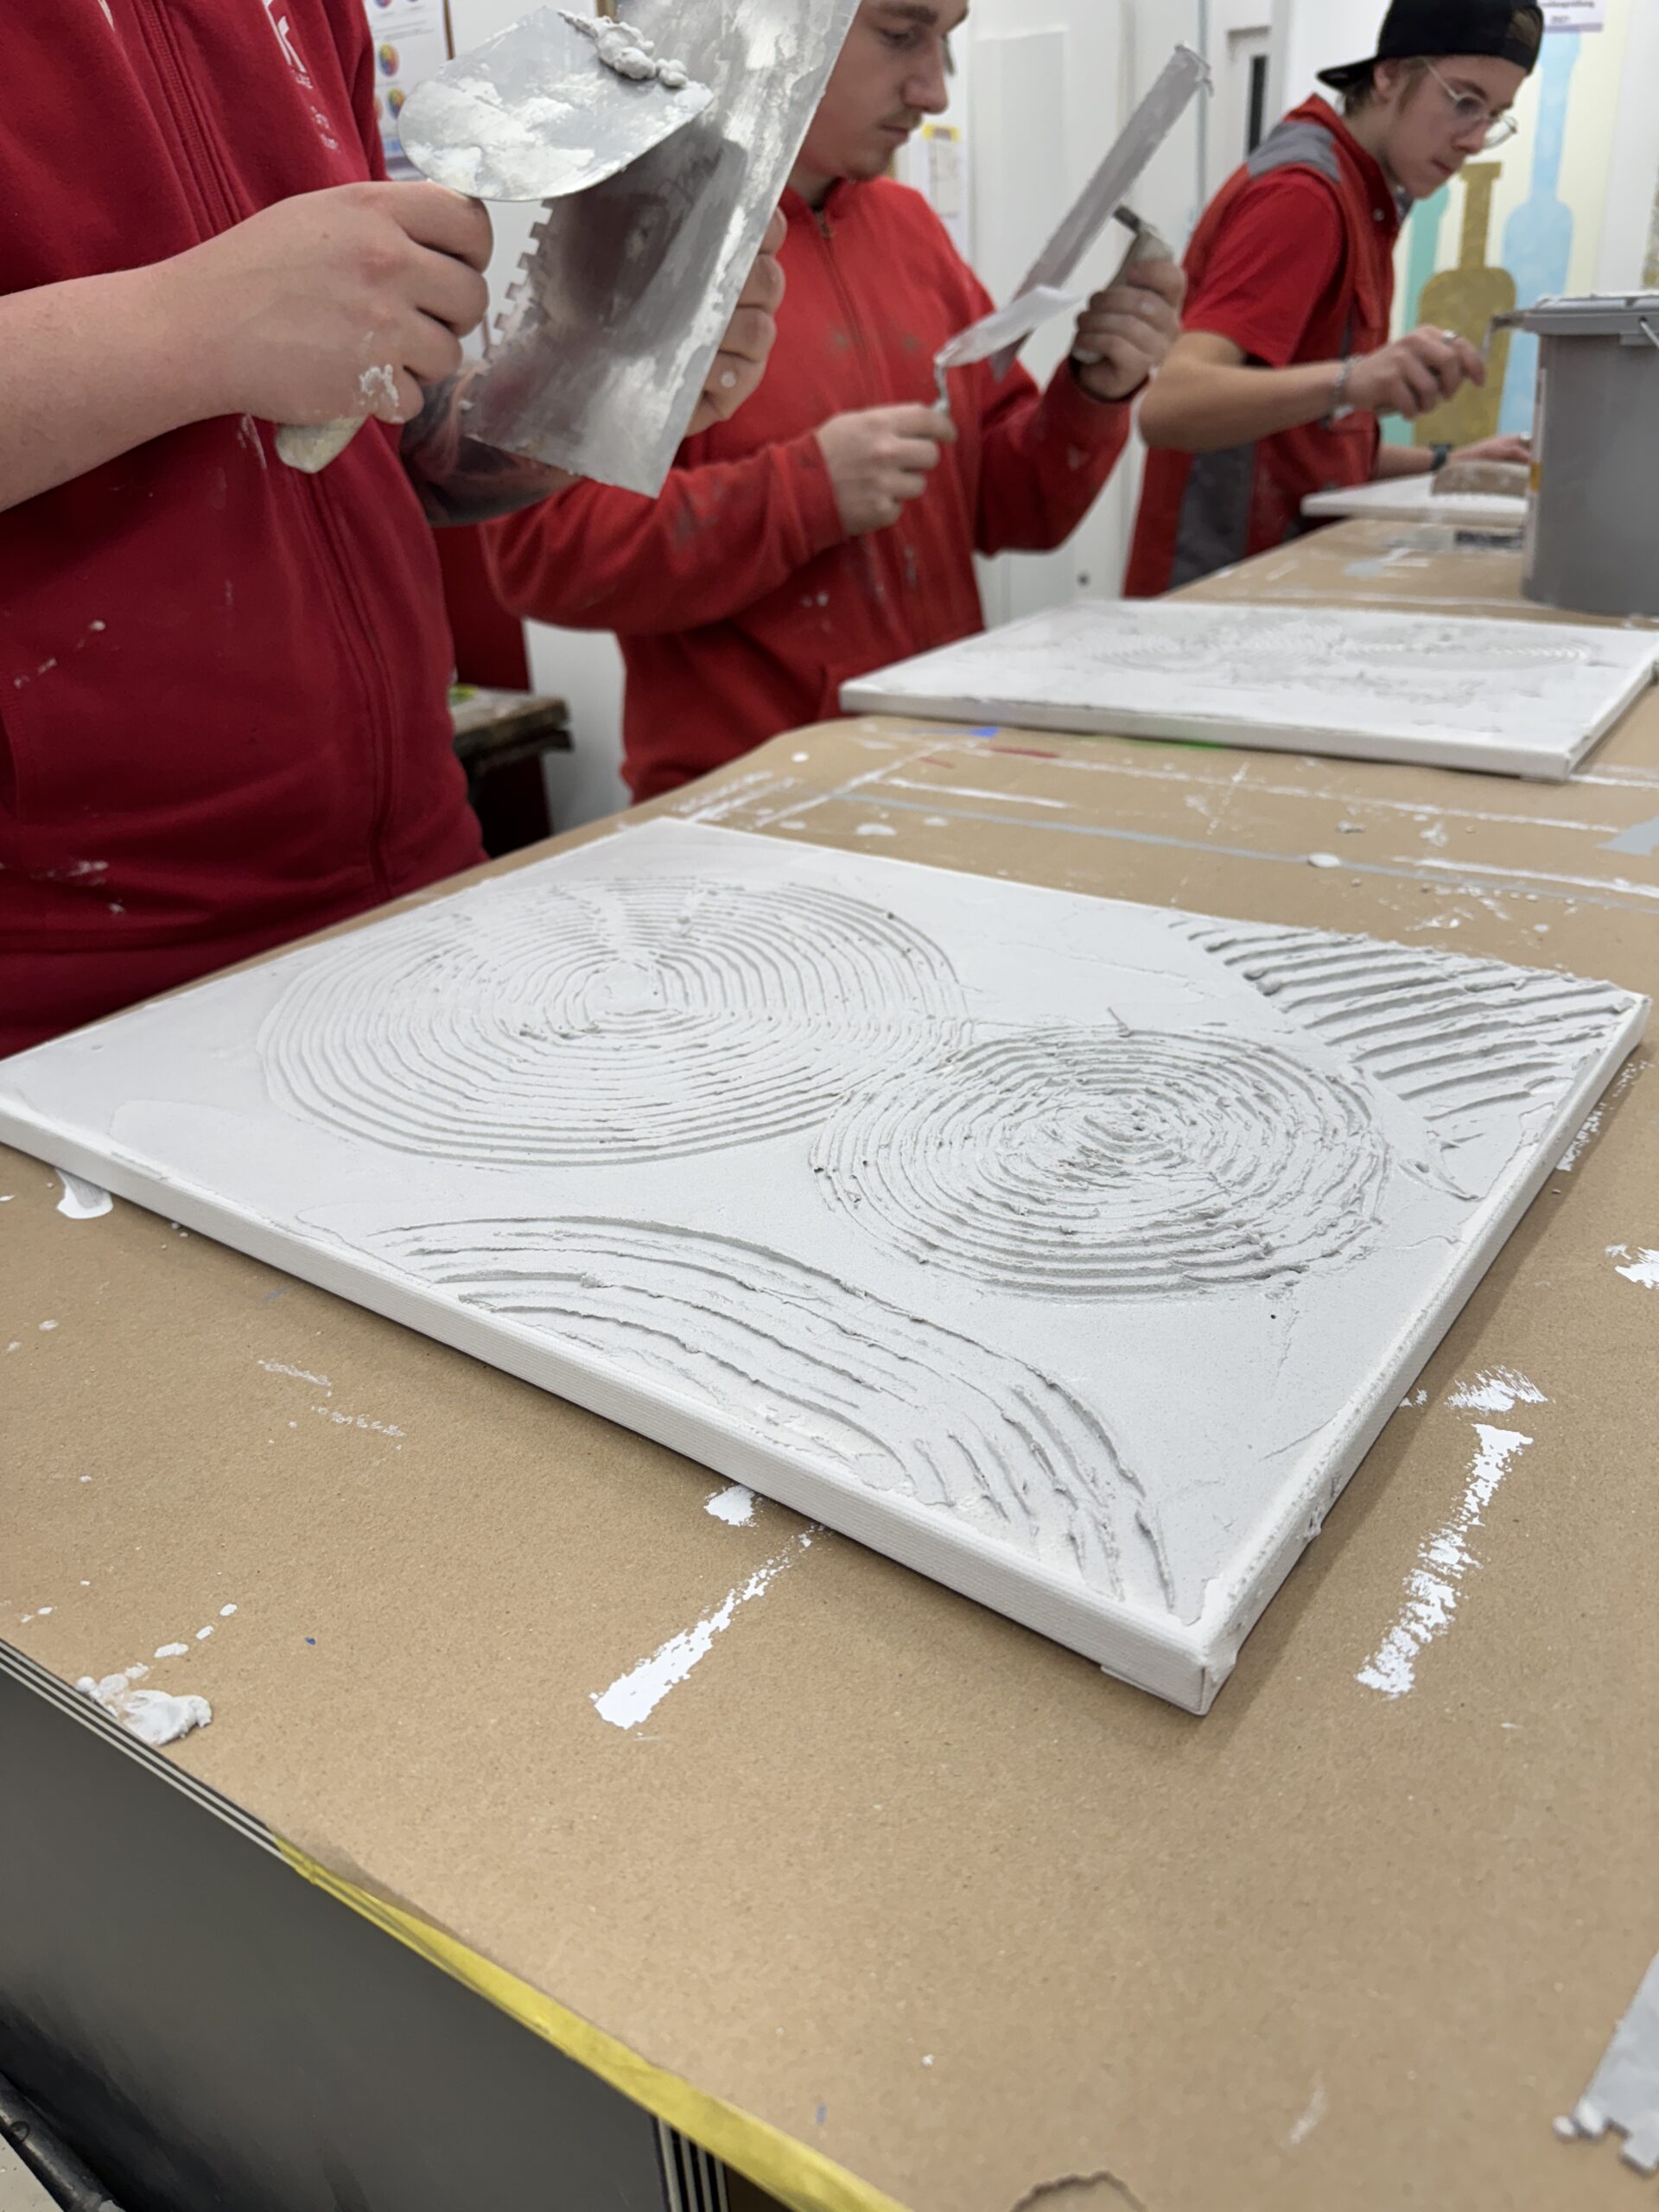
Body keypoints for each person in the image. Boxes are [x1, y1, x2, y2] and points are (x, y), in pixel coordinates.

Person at [0, 0, 785, 1058]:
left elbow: (389, 451)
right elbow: (226, 338)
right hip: (69, 981)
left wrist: (596, 374)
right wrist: (183, 329)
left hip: (416, 877)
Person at [483, 0, 1186, 806]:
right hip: (750, 805)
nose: (934, 91)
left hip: (938, 762)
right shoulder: (642, 234)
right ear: (786, 25)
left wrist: (1094, 392)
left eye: (944, 44)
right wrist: (805, 493)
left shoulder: (909, 226)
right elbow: (539, 555)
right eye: (901, 35)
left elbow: (1008, 509)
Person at [1126, 0, 1542, 599]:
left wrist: (1447, 464)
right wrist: (1354, 380)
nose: (1475, 140)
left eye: (1495, 116)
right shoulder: (1305, 198)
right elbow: (1169, 407)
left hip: (1268, 585)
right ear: (1390, 74)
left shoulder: (1364, 200)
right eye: (1463, 101)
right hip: (1215, 593)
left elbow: (1312, 449)